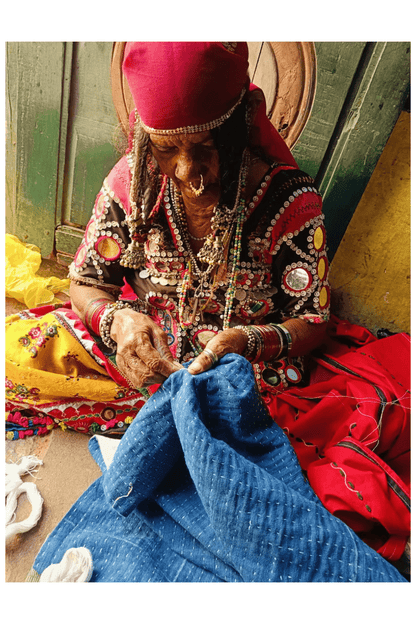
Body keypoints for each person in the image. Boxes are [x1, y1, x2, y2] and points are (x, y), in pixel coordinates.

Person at [5, 43, 409, 570]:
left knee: (283, 477)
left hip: (249, 374)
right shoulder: (130, 182)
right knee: (17, 352)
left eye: (205, 147)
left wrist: (246, 341)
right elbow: (84, 282)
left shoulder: (291, 202)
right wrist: (117, 319)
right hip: (140, 354)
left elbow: (312, 321)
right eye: (166, 149)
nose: (188, 172)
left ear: (239, 126)